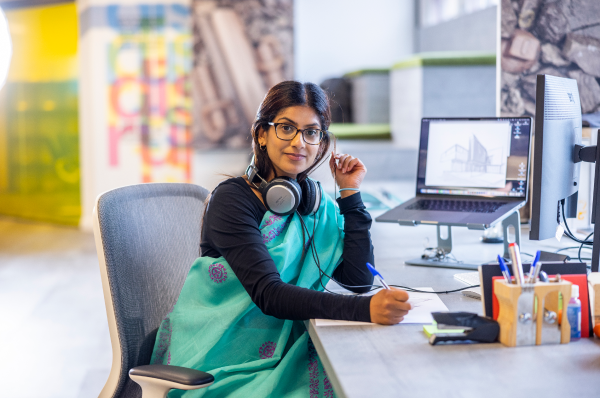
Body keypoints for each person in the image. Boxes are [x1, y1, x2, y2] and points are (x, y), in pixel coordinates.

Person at [150, 81, 411, 397]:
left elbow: (357, 280)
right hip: (218, 361)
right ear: (262, 134)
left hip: (287, 350)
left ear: (322, 143)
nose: (299, 142)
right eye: (286, 128)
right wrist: (365, 310)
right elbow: (269, 294)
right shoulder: (232, 200)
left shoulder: (314, 207)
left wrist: (350, 194)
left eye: (311, 132)